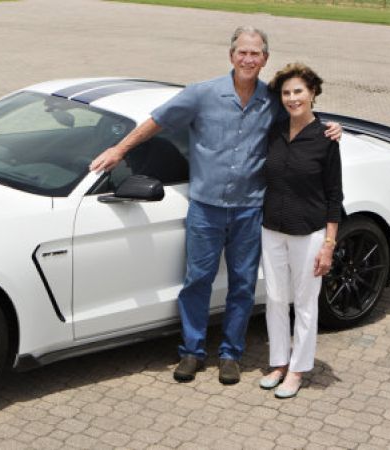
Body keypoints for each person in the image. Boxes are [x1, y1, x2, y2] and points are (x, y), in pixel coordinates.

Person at [89, 26, 341, 385]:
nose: (248, 59)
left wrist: (335, 127)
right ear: (231, 55)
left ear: (264, 59)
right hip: (206, 208)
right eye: (242, 52)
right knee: (197, 281)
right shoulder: (201, 94)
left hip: (251, 211)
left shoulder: (273, 100)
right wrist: (119, 149)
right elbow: (156, 122)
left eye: (256, 54)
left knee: (241, 285)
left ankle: (230, 354)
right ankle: (192, 351)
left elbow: (304, 118)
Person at [258, 63, 343, 398]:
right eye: (286, 93)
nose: (292, 98)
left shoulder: (326, 139)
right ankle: (278, 362)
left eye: (298, 92)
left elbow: (335, 195)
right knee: (276, 299)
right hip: (272, 229)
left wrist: (329, 244)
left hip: (308, 232)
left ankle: (298, 368)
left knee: (305, 303)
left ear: (312, 94)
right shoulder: (275, 131)